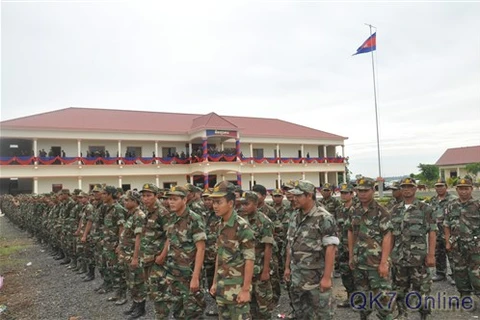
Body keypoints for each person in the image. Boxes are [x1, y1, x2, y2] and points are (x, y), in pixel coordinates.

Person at [284, 180, 338, 319]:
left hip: (316, 277)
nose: (293, 199)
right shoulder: (295, 216)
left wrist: (327, 277)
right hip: (297, 275)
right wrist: (287, 268)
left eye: (298, 196)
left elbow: (330, 248)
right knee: (301, 313)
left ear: (309, 196)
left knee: (321, 313)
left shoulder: (324, 217)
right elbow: (290, 243)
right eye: (293, 196)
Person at [347, 177, 394, 320]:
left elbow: (387, 237)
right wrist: (351, 256)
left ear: (372, 191)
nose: (362, 194)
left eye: (366, 191)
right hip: (359, 263)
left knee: (383, 301)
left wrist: (384, 262)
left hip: (376, 263)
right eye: (359, 191)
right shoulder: (354, 210)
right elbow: (350, 232)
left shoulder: (381, 211)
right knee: (362, 300)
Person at [390, 178, 437, 320]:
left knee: (422, 289)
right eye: (403, 187)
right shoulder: (395, 210)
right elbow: (391, 234)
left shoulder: (425, 209)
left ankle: (424, 315)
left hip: (419, 259)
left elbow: (432, 232)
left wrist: (431, 254)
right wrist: (389, 255)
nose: (406, 189)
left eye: (410, 186)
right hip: (399, 258)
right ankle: (402, 314)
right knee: (399, 289)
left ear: (415, 189)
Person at [158, 186, 207, 319]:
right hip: (173, 272)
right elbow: (170, 237)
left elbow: (201, 248)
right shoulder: (172, 217)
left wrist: (196, 277)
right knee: (177, 310)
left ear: (184, 200)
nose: (170, 202)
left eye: (175, 199)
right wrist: (163, 255)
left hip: (189, 273)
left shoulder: (194, 219)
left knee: (193, 311)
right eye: (169, 199)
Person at [209, 181, 255, 320]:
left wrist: (246, 290)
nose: (215, 206)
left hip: (237, 290)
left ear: (230, 203)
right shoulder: (220, 224)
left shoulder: (242, 226)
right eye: (213, 202)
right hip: (223, 289)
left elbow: (249, 259)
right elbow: (220, 254)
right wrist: (215, 281)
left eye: (219, 202)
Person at [444, 176, 480, 309]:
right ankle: (465, 298)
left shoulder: (477, 205)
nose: (463, 191)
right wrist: (448, 242)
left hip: (475, 247)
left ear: (472, 189)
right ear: (456, 190)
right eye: (460, 189)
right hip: (457, 247)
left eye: (466, 189)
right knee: (459, 273)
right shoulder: (451, 205)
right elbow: (446, 225)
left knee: (477, 274)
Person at [240, 191, 275, 319]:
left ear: (255, 204)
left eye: (247, 204)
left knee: (263, 305)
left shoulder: (264, 221)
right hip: (245, 269)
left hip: (260, 268)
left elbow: (268, 246)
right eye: (242, 204)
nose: (243, 207)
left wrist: (265, 270)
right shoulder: (240, 220)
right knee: (247, 305)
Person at [139, 183, 171, 319]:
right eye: (143, 196)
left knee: (160, 293)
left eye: (148, 196)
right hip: (148, 258)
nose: (145, 199)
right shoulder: (147, 211)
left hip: (158, 260)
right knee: (153, 291)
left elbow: (170, 236)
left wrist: (163, 255)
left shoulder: (162, 212)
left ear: (156, 196)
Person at [119, 190, 147, 312]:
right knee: (130, 280)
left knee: (137, 281)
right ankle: (135, 303)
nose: (124, 202)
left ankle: (140, 307)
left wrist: (136, 257)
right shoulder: (131, 214)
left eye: (127, 200)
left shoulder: (139, 216)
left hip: (133, 254)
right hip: (127, 253)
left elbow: (139, 238)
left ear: (135, 202)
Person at [429, 178, 457, 284]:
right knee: (438, 253)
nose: (439, 188)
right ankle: (440, 273)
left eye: (441, 186)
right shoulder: (433, 200)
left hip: (449, 231)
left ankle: (455, 275)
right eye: (437, 186)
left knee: (452, 254)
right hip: (436, 232)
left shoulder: (453, 199)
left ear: (446, 187)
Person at [336, 183, 356, 308]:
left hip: (355, 247)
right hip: (342, 247)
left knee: (357, 275)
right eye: (342, 193)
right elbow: (337, 228)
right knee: (345, 274)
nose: (343, 195)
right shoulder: (339, 210)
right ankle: (350, 298)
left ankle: (359, 301)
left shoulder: (357, 209)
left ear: (352, 194)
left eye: (346, 193)